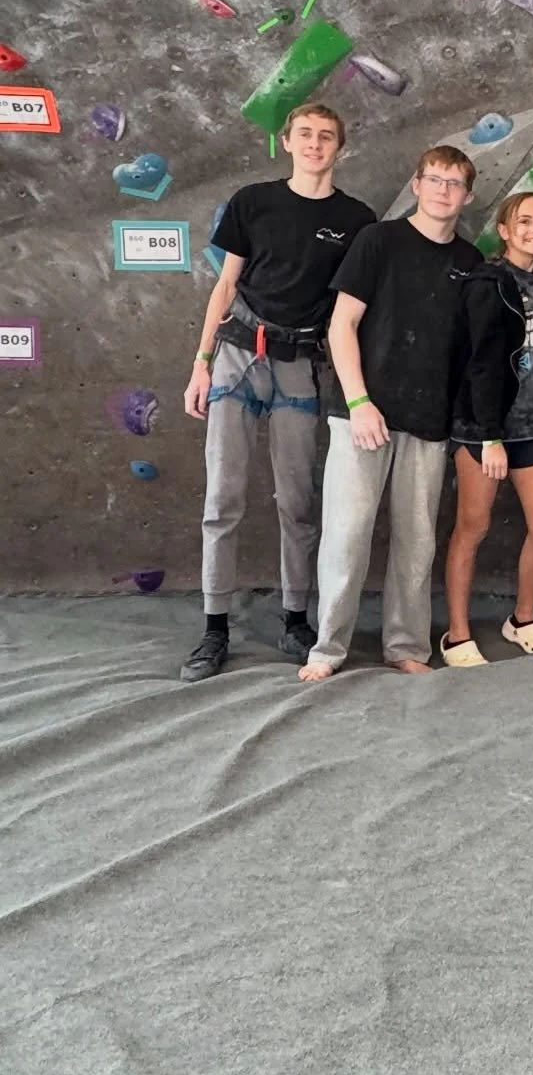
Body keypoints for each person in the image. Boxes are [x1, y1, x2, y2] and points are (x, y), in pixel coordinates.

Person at [180, 103, 375, 683]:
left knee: (296, 502)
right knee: (223, 498)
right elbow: (226, 285)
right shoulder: (253, 203)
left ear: (340, 147)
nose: (316, 144)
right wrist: (200, 365)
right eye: (306, 135)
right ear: (287, 141)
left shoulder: (357, 218)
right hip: (238, 356)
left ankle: (296, 618)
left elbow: (358, 307)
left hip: (299, 364)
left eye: (327, 136)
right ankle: (215, 629)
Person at [299, 147, 477, 682]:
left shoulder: (470, 263)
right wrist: (358, 402)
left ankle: (406, 645)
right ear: (416, 184)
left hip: (428, 420)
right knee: (347, 534)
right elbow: (341, 325)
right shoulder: (377, 241)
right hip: (361, 415)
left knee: (417, 539)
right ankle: (327, 648)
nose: (443, 190)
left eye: (455, 183)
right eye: (435, 180)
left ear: (467, 196)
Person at [443, 192, 533, 663]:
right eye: (524, 222)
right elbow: (481, 364)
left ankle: (522, 619)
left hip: (532, 428)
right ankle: (456, 634)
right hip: (484, 430)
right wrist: (490, 435)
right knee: (472, 528)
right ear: (506, 230)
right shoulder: (488, 283)